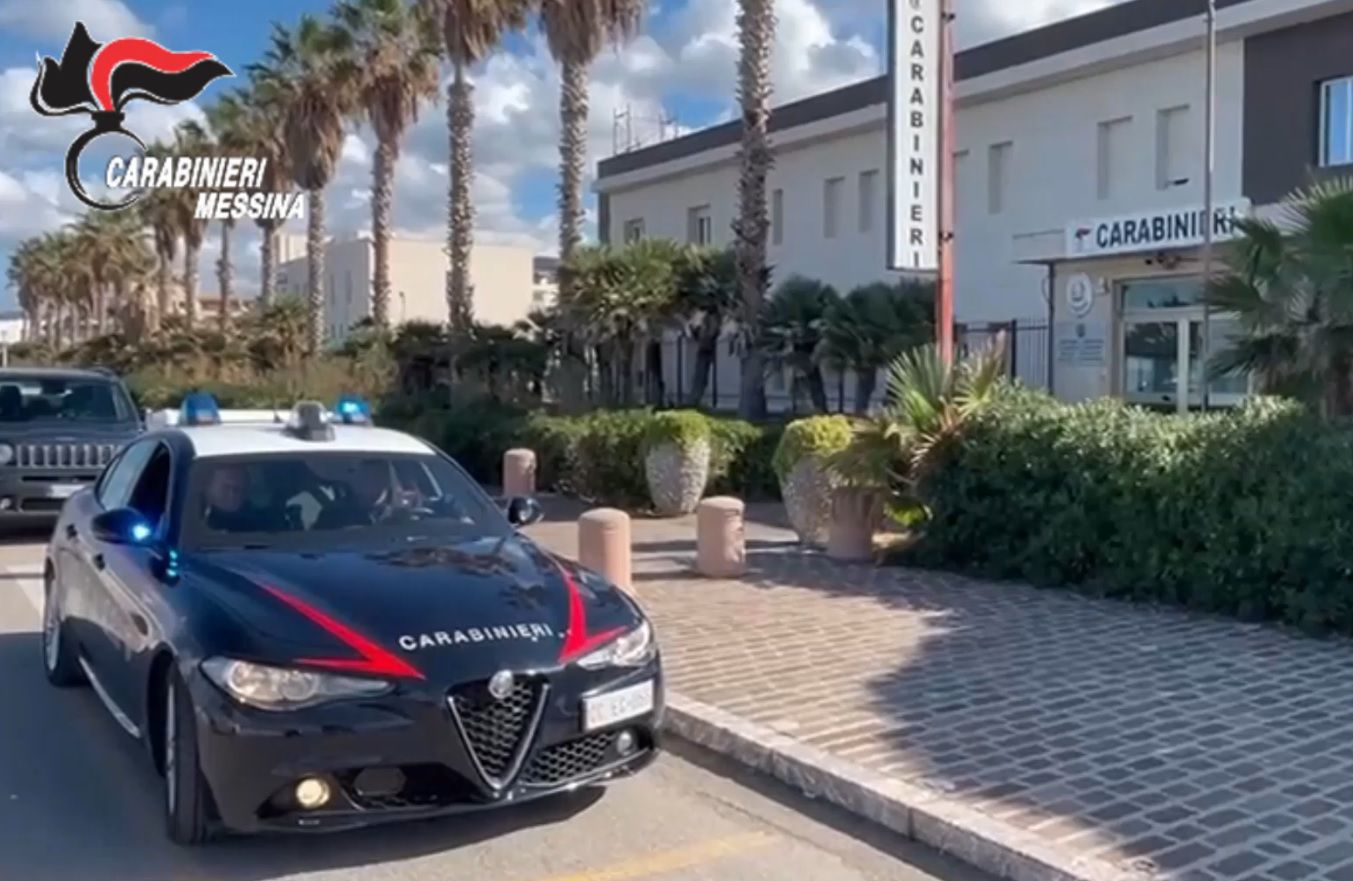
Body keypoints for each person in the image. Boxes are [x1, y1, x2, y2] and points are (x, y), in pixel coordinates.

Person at [315, 460, 397, 530]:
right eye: (369, 478)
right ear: (357, 481)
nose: (374, 484)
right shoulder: (333, 514)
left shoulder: (397, 515)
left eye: (380, 478)